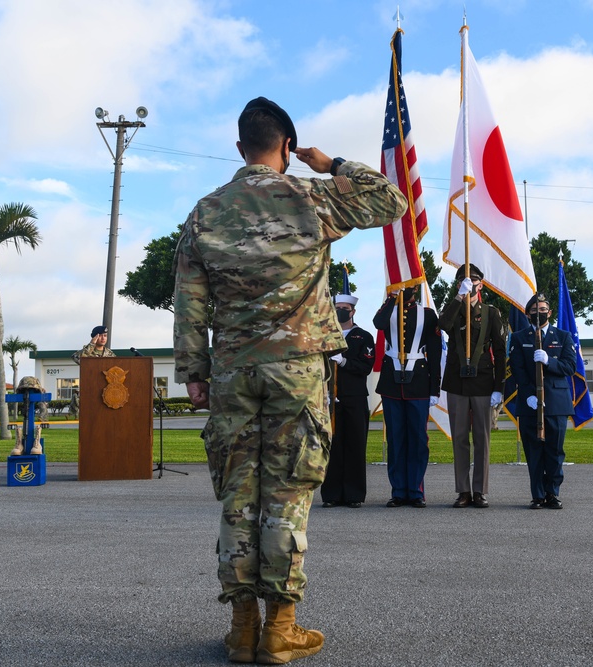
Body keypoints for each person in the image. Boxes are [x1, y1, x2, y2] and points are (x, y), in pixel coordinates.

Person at [172, 96, 407, 665]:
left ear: (238, 147)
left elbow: (189, 301)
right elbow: (392, 201)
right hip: (297, 373)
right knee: (286, 496)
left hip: (231, 372)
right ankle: (281, 627)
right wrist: (330, 164)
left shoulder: (206, 212)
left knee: (237, 496)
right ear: (285, 147)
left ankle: (241, 628)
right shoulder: (310, 196)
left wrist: (194, 373)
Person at [438, 263, 506, 508]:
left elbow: (500, 352)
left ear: (482, 284)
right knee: (459, 438)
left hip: (482, 382)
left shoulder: (491, 313)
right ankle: (463, 491)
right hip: (457, 382)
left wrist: (500, 387)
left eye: (474, 280)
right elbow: (443, 325)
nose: (470, 284)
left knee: (482, 438)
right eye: (464, 281)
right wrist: (458, 297)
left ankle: (480, 490)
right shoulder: (454, 309)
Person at [373, 285, 442, 509]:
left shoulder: (428, 314)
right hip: (392, 383)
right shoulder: (389, 310)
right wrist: (392, 298)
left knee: (418, 440)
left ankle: (415, 491)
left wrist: (434, 389)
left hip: (419, 383)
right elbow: (379, 324)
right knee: (396, 440)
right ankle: (398, 491)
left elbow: (434, 352)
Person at [507, 292, 576, 510]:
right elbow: (517, 369)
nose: (539, 313)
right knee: (533, 450)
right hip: (530, 403)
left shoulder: (563, 336)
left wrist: (549, 362)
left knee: (555, 451)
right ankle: (537, 495)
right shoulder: (519, 337)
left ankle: (552, 493)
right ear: (528, 313)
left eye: (543, 310)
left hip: (556, 403)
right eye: (535, 310)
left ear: (550, 312)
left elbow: (569, 367)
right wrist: (528, 395)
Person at [321, 293, 376, 509]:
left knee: (355, 445)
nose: (341, 311)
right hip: (328, 398)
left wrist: (344, 362)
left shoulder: (363, 337)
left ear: (353, 311)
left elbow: (365, 367)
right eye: (337, 307)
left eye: (345, 308)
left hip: (354, 397)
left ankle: (354, 494)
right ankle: (331, 494)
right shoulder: (325, 335)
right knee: (331, 447)